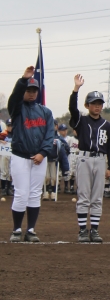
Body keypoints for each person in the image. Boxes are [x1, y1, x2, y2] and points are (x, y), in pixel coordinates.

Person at [7, 67, 55, 243]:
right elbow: (13, 100)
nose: (32, 93)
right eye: (28, 90)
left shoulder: (46, 112)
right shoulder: (17, 109)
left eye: (34, 90)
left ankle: (31, 229)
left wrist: (43, 153)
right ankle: (17, 229)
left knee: (35, 193)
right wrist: (23, 80)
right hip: (20, 156)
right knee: (21, 193)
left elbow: (50, 135)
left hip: (39, 159)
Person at [70, 75, 110, 243]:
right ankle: (83, 230)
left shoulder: (108, 126)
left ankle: (95, 230)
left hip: (100, 159)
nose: (97, 106)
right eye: (93, 103)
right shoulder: (81, 121)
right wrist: (76, 90)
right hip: (84, 158)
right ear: (87, 105)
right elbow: (72, 109)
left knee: (97, 197)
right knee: (83, 195)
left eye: (99, 103)